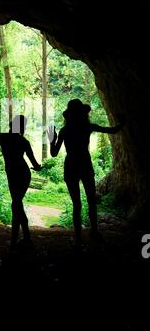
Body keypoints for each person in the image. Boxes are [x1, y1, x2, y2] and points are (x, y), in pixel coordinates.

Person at [48, 99, 125, 248]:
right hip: (85, 164)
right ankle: (94, 232)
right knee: (91, 201)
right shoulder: (87, 127)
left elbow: (53, 153)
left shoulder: (65, 130)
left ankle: (78, 238)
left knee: (77, 204)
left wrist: (52, 139)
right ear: (83, 113)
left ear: (69, 114)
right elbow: (113, 130)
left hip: (70, 166)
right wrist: (123, 122)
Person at [0, 115, 41, 252]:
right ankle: (22, 239)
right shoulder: (24, 141)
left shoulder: (2, 137)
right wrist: (39, 167)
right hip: (24, 173)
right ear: (22, 127)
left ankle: (20, 240)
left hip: (13, 174)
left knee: (16, 204)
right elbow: (35, 164)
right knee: (16, 204)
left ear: (11, 124)